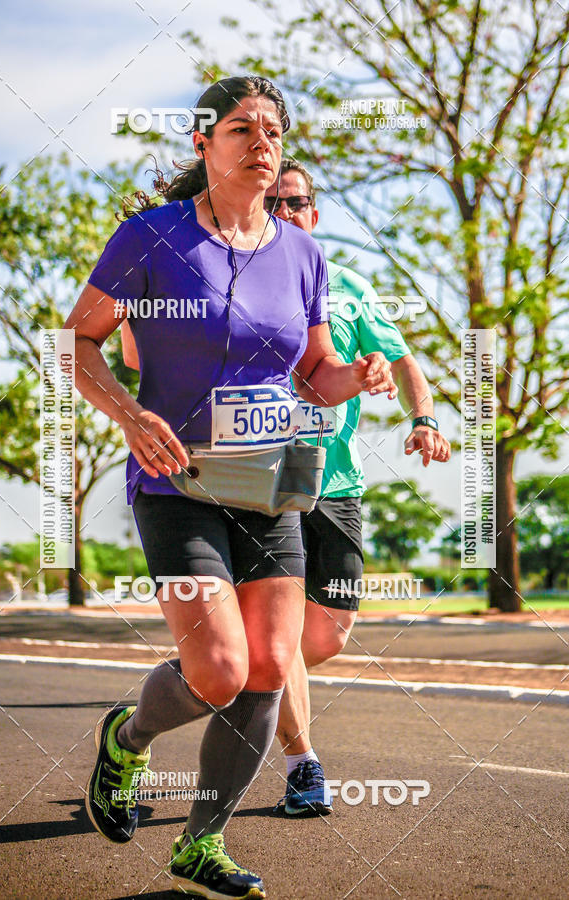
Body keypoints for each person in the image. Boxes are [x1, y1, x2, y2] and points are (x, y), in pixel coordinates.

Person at [64, 76, 397, 900]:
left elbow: (313, 376)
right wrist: (131, 416)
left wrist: (357, 375)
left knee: (270, 665)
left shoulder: (304, 252)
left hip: (273, 485)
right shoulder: (150, 238)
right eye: (241, 128)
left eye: (273, 131)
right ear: (203, 145)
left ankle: (199, 843)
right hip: (177, 483)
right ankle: (127, 738)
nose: (261, 142)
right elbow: (78, 345)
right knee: (216, 668)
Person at [262, 160, 451, 816]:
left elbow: (400, 358)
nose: (285, 212)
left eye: (296, 202)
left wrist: (423, 418)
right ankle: (301, 764)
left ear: (314, 213)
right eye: (273, 202)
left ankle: (254, 680)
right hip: (270, 480)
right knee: (281, 635)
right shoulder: (246, 283)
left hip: (337, 483)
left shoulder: (349, 287)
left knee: (326, 637)